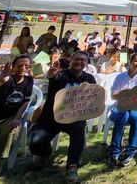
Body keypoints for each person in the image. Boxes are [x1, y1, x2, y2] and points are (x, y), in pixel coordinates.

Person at [29, 51, 96, 183]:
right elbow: (53, 79)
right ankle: (46, 154)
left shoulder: (89, 79)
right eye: (76, 59)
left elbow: (93, 99)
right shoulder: (60, 75)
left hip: (74, 119)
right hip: (51, 118)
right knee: (35, 142)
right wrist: (51, 76)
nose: (79, 62)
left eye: (83, 60)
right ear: (71, 60)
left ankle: (72, 166)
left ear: (87, 64)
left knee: (78, 132)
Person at [0, 55, 33, 176]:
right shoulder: (7, 79)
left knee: (8, 134)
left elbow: (25, 101)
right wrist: (3, 76)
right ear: (13, 67)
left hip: (8, 117)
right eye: (20, 65)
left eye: (26, 65)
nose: (23, 68)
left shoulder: (29, 81)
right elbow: (2, 81)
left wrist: (18, 117)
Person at [107, 53, 137, 167]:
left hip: (136, 108)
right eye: (136, 61)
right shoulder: (121, 76)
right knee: (123, 115)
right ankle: (114, 152)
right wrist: (124, 94)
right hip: (120, 107)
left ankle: (130, 152)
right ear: (130, 61)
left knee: (136, 117)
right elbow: (113, 95)